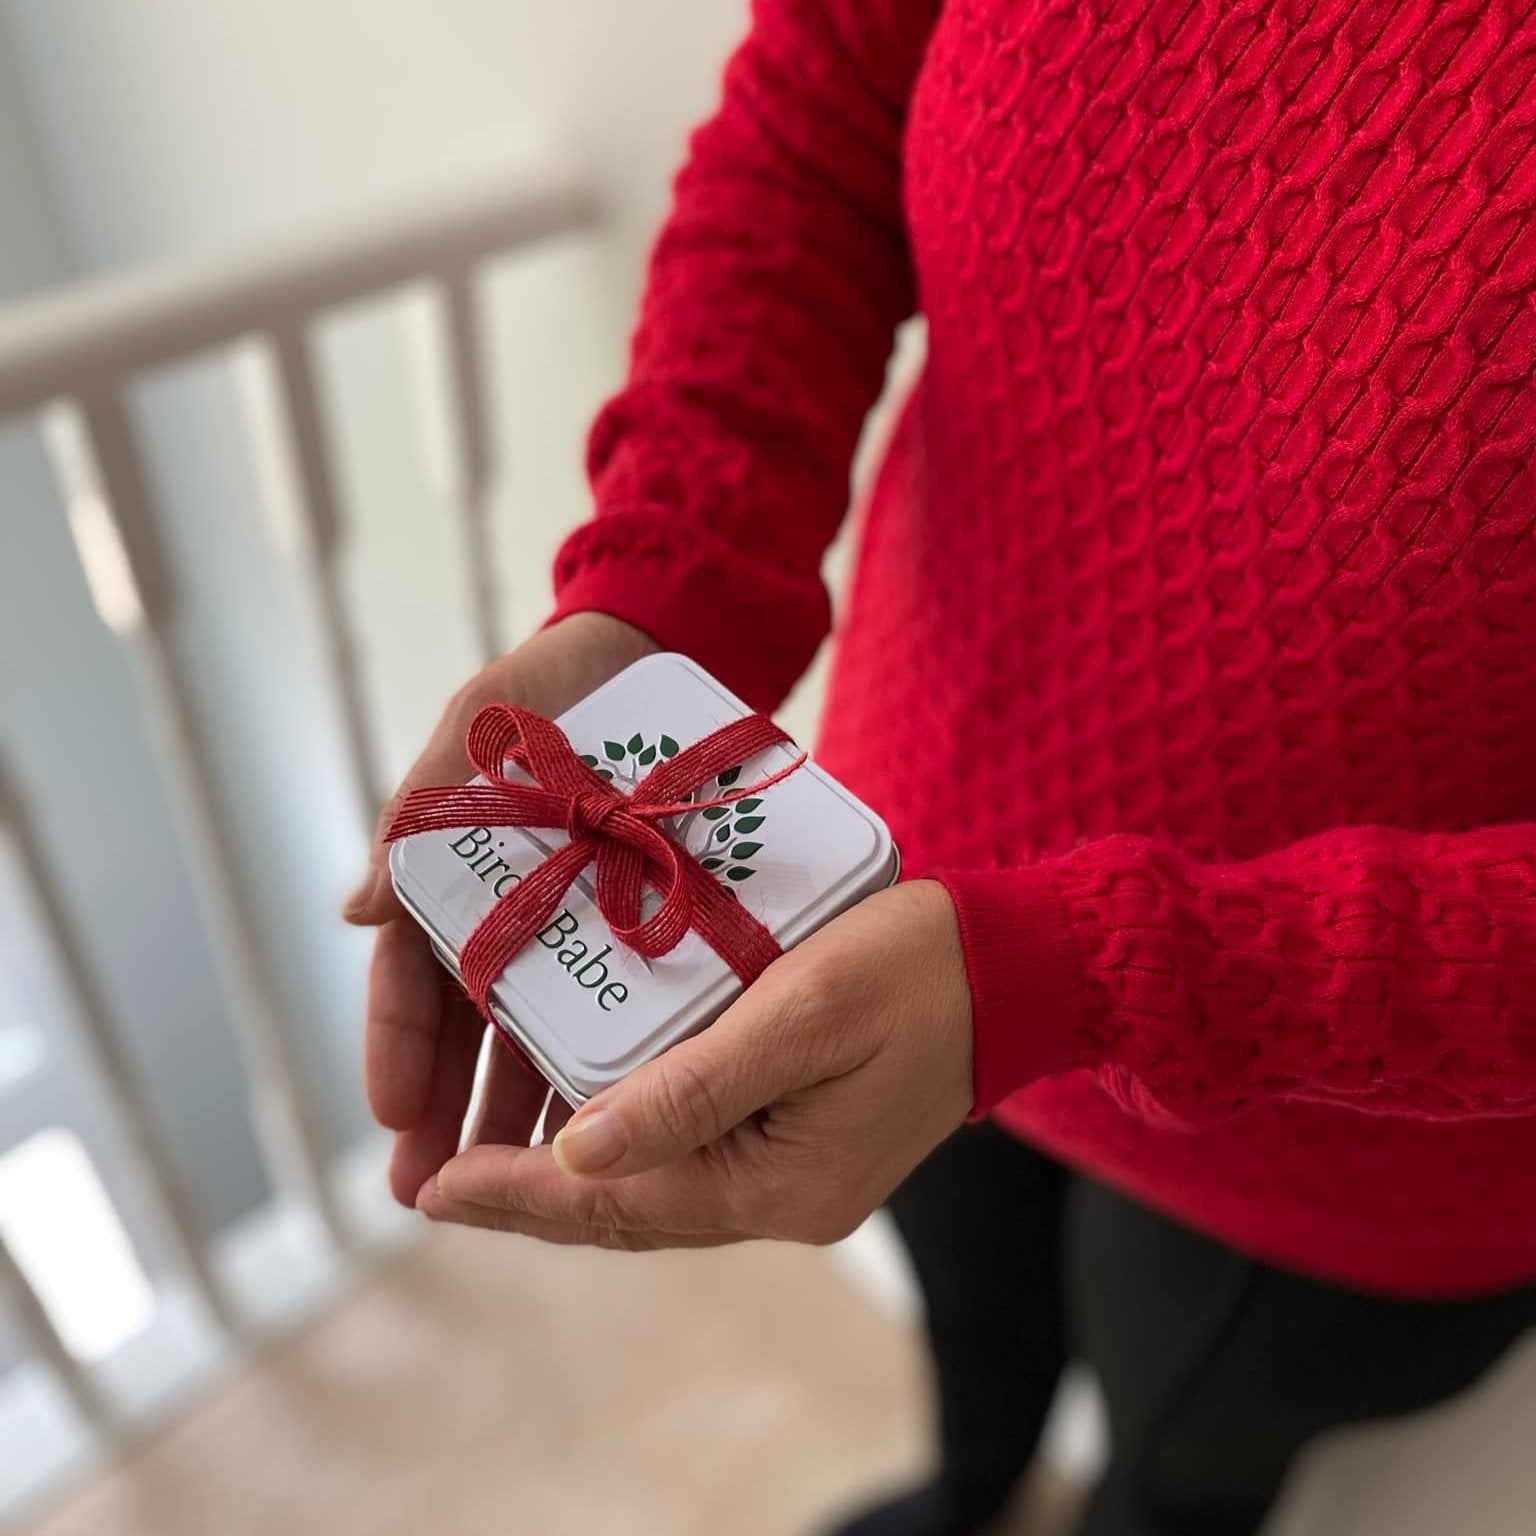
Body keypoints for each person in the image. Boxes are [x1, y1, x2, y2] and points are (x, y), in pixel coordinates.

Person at [344, 1, 1536, 1531]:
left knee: (1177, 1469)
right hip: (880, 873)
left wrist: (1092, 974)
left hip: (1355, 1121)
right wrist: (666, 587)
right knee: (976, 1330)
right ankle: (975, 1483)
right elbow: (815, 126)